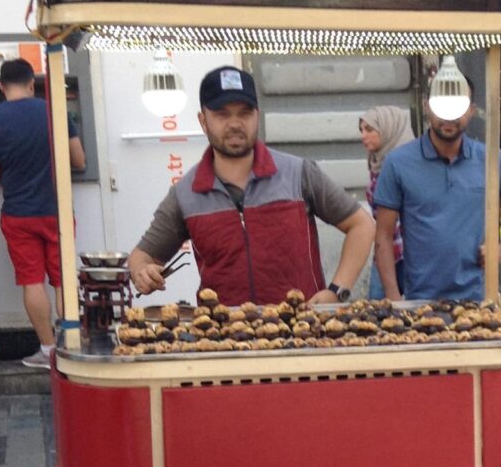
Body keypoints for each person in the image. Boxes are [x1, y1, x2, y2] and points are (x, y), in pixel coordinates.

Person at [129, 66, 374, 306]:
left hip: (301, 335)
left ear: (257, 115)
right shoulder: (185, 194)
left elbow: (361, 225)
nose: (235, 124)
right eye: (222, 114)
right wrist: (142, 272)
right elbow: (141, 257)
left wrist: (336, 291)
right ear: (203, 121)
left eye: (244, 113)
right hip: (222, 337)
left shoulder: (298, 174)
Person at [373, 87, 501, 301]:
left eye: (457, 108)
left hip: (478, 302)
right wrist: (393, 296)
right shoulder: (398, 163)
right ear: (426, 107)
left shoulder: (487, 158)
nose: (449, 117)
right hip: (419, 303)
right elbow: (383, 236)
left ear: (471, 111)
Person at [0, 58, 86, 369]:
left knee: (32, 282)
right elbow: (79, 160)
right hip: (56, 211)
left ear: (2, 86)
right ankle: (70, 347)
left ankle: (46, 351)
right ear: (33, 83)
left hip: (19, 214)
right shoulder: (54, 109)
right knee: (62, 281)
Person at [359, 106, 414, 298]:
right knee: (378, 314)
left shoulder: (409, 165)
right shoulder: (375, 163)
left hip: (410, 253)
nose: (363, 136)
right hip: (385, 250)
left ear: (389, 130)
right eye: (361, 130)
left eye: (369, 129)